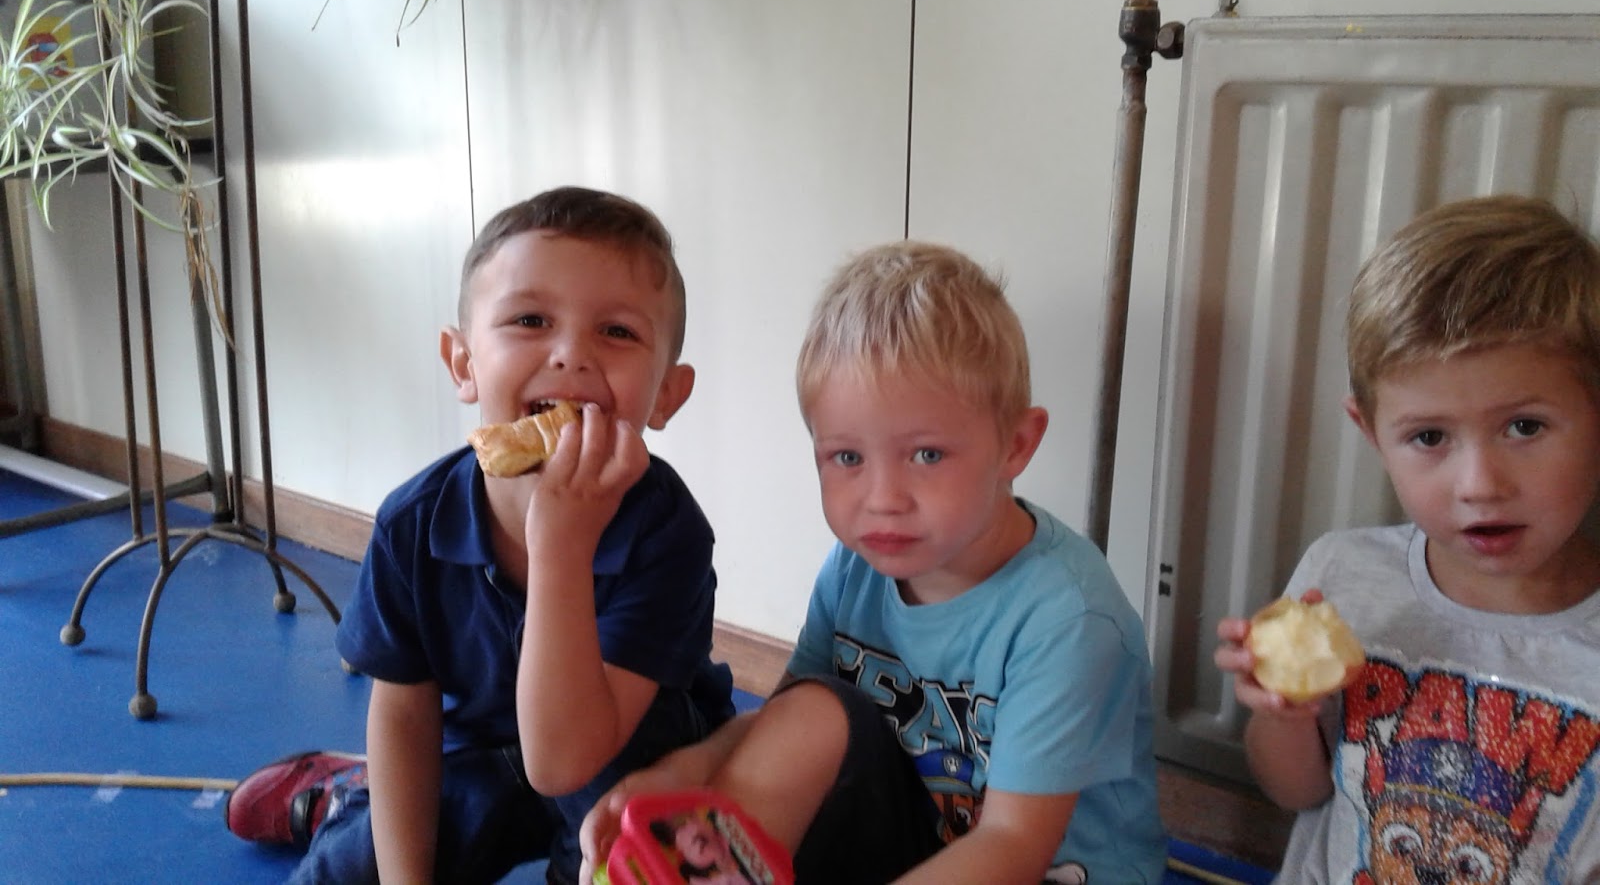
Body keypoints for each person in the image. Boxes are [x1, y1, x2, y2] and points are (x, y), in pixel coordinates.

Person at [581, 241, 1168, 884]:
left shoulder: (1068, 618)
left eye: (926, 456)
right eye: (848, 458)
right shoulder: (855, 568)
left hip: (1040, 868)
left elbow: (1012, 845)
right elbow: (788, 721)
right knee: (811, 709)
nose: (883, 500)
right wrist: (689, 770)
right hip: (920, 843)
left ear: (1016, 445)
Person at [223, 186, 735, 884]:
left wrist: (561, 544)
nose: (571, 354)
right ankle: (343, 798)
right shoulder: (414, 523)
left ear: (667, 394)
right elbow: (405, 715)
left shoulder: (669, 535)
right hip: (477, 755)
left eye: (616, 332)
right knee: (353, 869)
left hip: (627, 761)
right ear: (463, 363)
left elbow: (566, 760)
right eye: (530, 319)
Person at [1212, 194, 1600, 882]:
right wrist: (1284, 714)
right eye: (1429, 437)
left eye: (1525, 427)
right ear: (1371, 433)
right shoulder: (1343, 572)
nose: (1479, 484)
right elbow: (1297, 792)